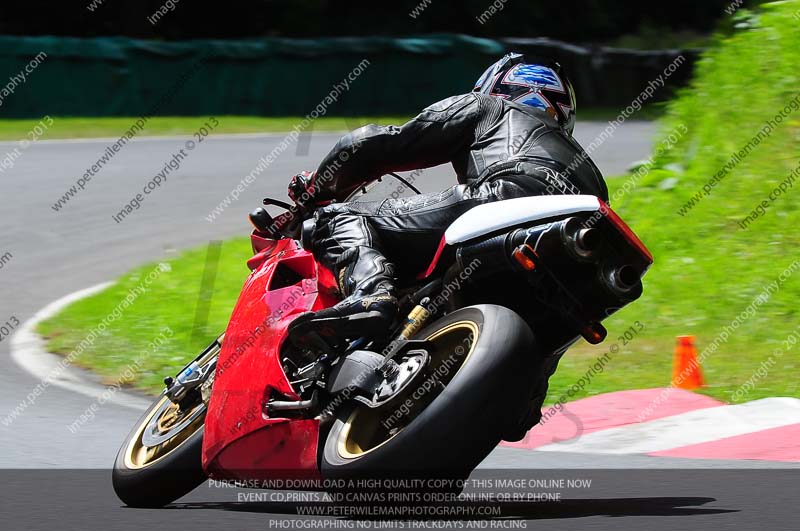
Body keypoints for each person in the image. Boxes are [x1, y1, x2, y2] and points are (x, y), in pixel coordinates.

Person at [287, 52, 608, 346]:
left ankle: (371, 295)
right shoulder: (593, 174)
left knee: (340, 218)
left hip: (505, 198)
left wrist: (315, 189)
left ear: (493, 86)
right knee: (545, 344)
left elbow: (373, 144)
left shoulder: (490, 107)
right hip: (581, 245)